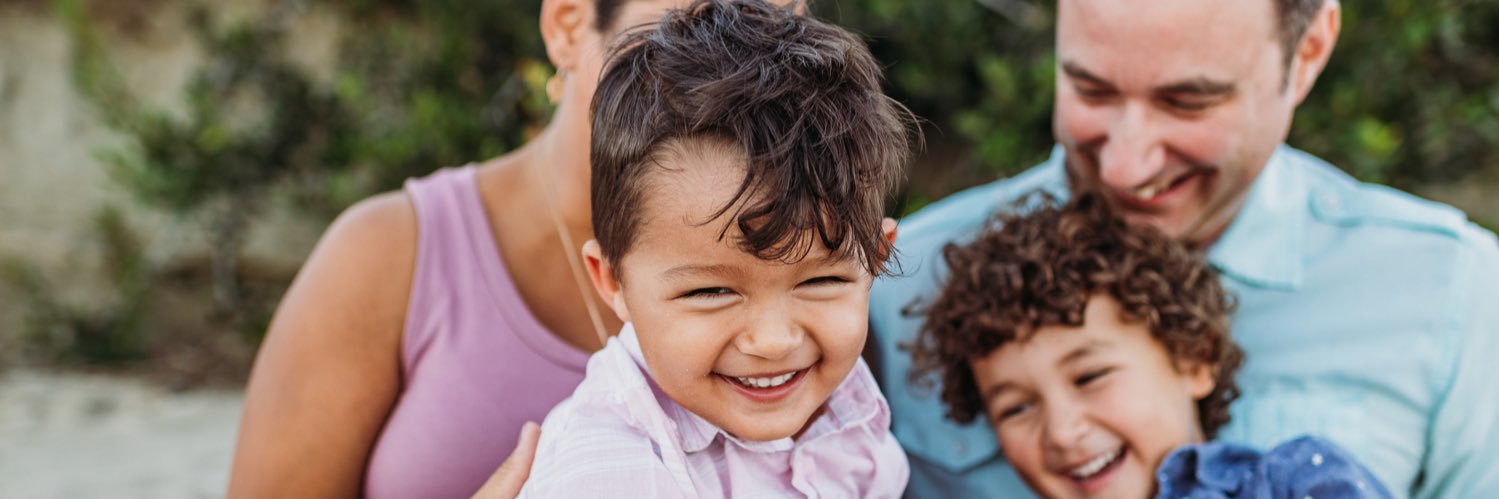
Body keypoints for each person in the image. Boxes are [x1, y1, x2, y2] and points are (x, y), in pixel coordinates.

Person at [868, 0, 1499, 497]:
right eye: (1091, 90)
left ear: (1307, 54)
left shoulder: (1451, 287)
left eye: (1188, 101)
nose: (1125, 166)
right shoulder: (893, 282)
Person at [227, 0, 796, 497]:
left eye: (770, 36)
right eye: (682, 39)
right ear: (568, 25)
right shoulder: (387, 255)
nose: (735, 80)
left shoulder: (820, 281)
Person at [514, 1, 915, 496]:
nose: (773, 341)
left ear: (877, 257)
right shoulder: (608, 473)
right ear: (612, 279)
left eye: (820, 280)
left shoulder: (848, 404)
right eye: (711, 291)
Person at [908, 193, 1394, 498]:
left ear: (1194, 358)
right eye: (1015, 409)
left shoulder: (1296, 483)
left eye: (1089, 377)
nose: (1061, 431)